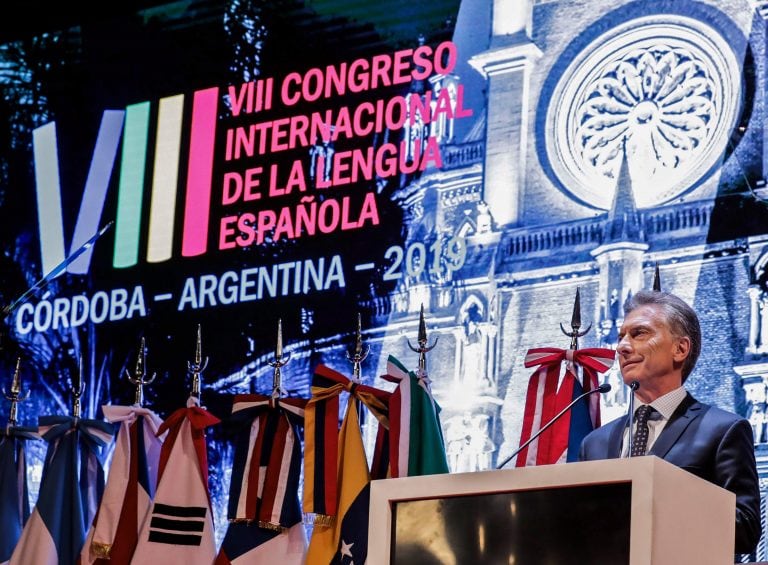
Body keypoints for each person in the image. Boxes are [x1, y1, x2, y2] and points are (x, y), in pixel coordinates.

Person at [578, 290, 761, 555]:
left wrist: (657, 497)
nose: (622, 347)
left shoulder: (722, 431)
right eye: (621, 337)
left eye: (639, 333)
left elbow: (745, 531)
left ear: (680, 349)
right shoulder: (594, 443)